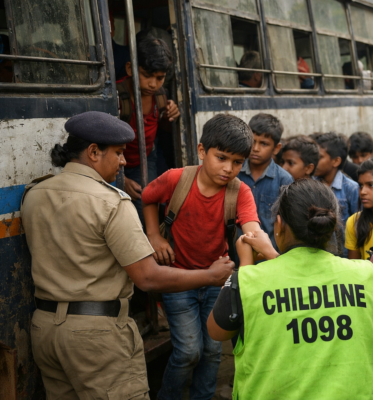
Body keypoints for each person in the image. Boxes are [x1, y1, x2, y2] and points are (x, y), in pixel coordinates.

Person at [20, 111, 235, 400]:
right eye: (119, 153)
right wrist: (209, 276)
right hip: (96, 337)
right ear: (93, 152)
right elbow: (147, 277)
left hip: (45, 329)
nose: (124, 161)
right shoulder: (111, 202)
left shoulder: (35, 192)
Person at [206, 179, 373, 399]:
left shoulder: (248, 280)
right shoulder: (367, 274)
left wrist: (246, 265)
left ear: (278, 225)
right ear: (332, 225)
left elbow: (217, 331)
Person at [141, 114, 261, 400]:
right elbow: (147, 197)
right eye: (221, 158)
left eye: (237, 162)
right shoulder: (176, 179)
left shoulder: (240, 191)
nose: (228, 169)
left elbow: (252, 230)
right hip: (177, 280)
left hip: (216, 283)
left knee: (212, 351)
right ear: (201, 151)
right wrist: (154, 235)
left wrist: (265, 248)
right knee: (188, 351)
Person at [118, 36, 180, 224]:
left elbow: (163, 129)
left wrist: (171, 114)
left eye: (160, 78)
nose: (153, 84)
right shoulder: (118, 97)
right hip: (117, 162)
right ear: (130, 69)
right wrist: (121, 178)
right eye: (146, 75)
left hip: (145, 159)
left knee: (147, 205)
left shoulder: (160, 97)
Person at [238, 113, 293, 250]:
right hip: (238, 251)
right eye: (252, 141)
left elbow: (287, 223)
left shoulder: (284, 179)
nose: (255, 148)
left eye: (264, 144)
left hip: (269, 254)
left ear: (276, 148)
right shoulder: (235, 172)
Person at [311, 132, 359, 257]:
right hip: (316, 254)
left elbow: (358, 225)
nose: (314, 161)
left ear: (336, 161)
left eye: (320, 157)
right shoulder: (310, 185)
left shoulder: (351, 188)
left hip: (343, 255)